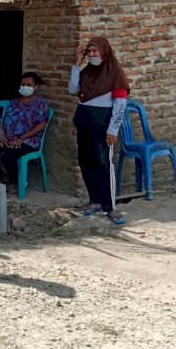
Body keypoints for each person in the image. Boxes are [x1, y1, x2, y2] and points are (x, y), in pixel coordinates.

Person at [68, 36, 129, 225]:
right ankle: (94, 200)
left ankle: (110, 207)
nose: (92, 55)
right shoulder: (86, 71)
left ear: (104, 51)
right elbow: (72, 89)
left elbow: (120, 103)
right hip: (84, 120)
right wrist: (77, 65)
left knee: (104, 162)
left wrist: (113, 129)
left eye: (96, 51)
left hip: (103, 122)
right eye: (89, 52)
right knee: (85, 160)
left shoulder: (114, 72)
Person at [0, 72, 49, 193]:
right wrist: (2, 134)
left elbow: (41, 125)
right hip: (8, 138)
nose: (25, 87)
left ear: (36, 87)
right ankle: (0, 179)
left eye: (29, 84)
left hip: (28, 141)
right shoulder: (13, 103)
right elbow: (4, 120)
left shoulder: (40, 104)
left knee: (8, 155)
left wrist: (21, 138)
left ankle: (16, 183)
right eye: (23, 84)